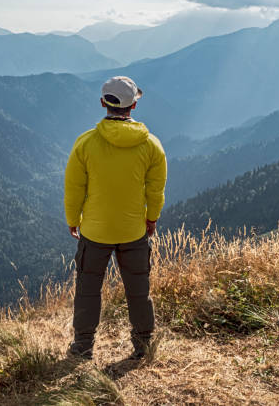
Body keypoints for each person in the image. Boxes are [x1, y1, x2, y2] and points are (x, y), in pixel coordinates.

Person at [64, 76, 167, 360]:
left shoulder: (85, 143)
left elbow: (74, 188)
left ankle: (83, 346)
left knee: (88, 289)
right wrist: (152, 218)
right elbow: (155, 191)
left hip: (94, 231)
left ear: (103, 103)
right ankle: (143, 345)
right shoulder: (152, 146)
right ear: (133, 105)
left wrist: (73, 219)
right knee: (138, 290)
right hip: (134, 230)